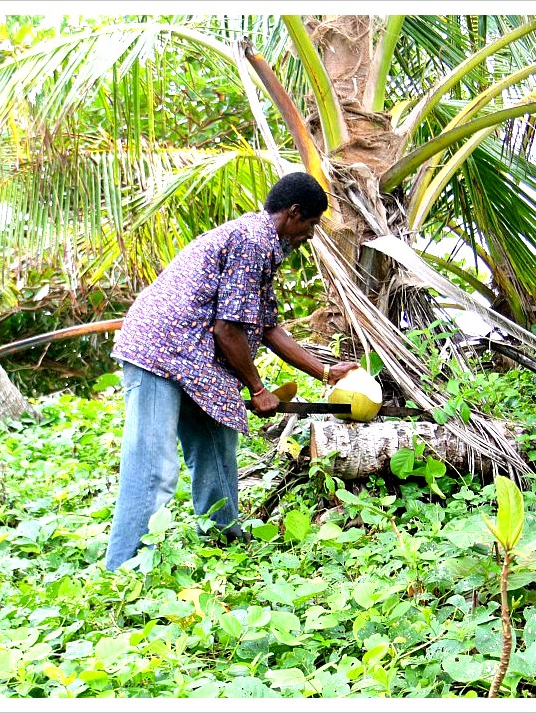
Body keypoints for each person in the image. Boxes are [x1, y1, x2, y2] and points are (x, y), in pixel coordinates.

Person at [105, 172, 358, 570]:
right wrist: (257, 389)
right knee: (153, 467)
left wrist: (325, 372)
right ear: (293, 214)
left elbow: (268, 326)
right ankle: (123, 570)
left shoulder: (259, 242)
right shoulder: (252, 242)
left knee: (217, 447)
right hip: (160, 351)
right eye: (310, 225)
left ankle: (223, 542)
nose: (310, 236)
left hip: (194, 358)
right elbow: (227, 328)